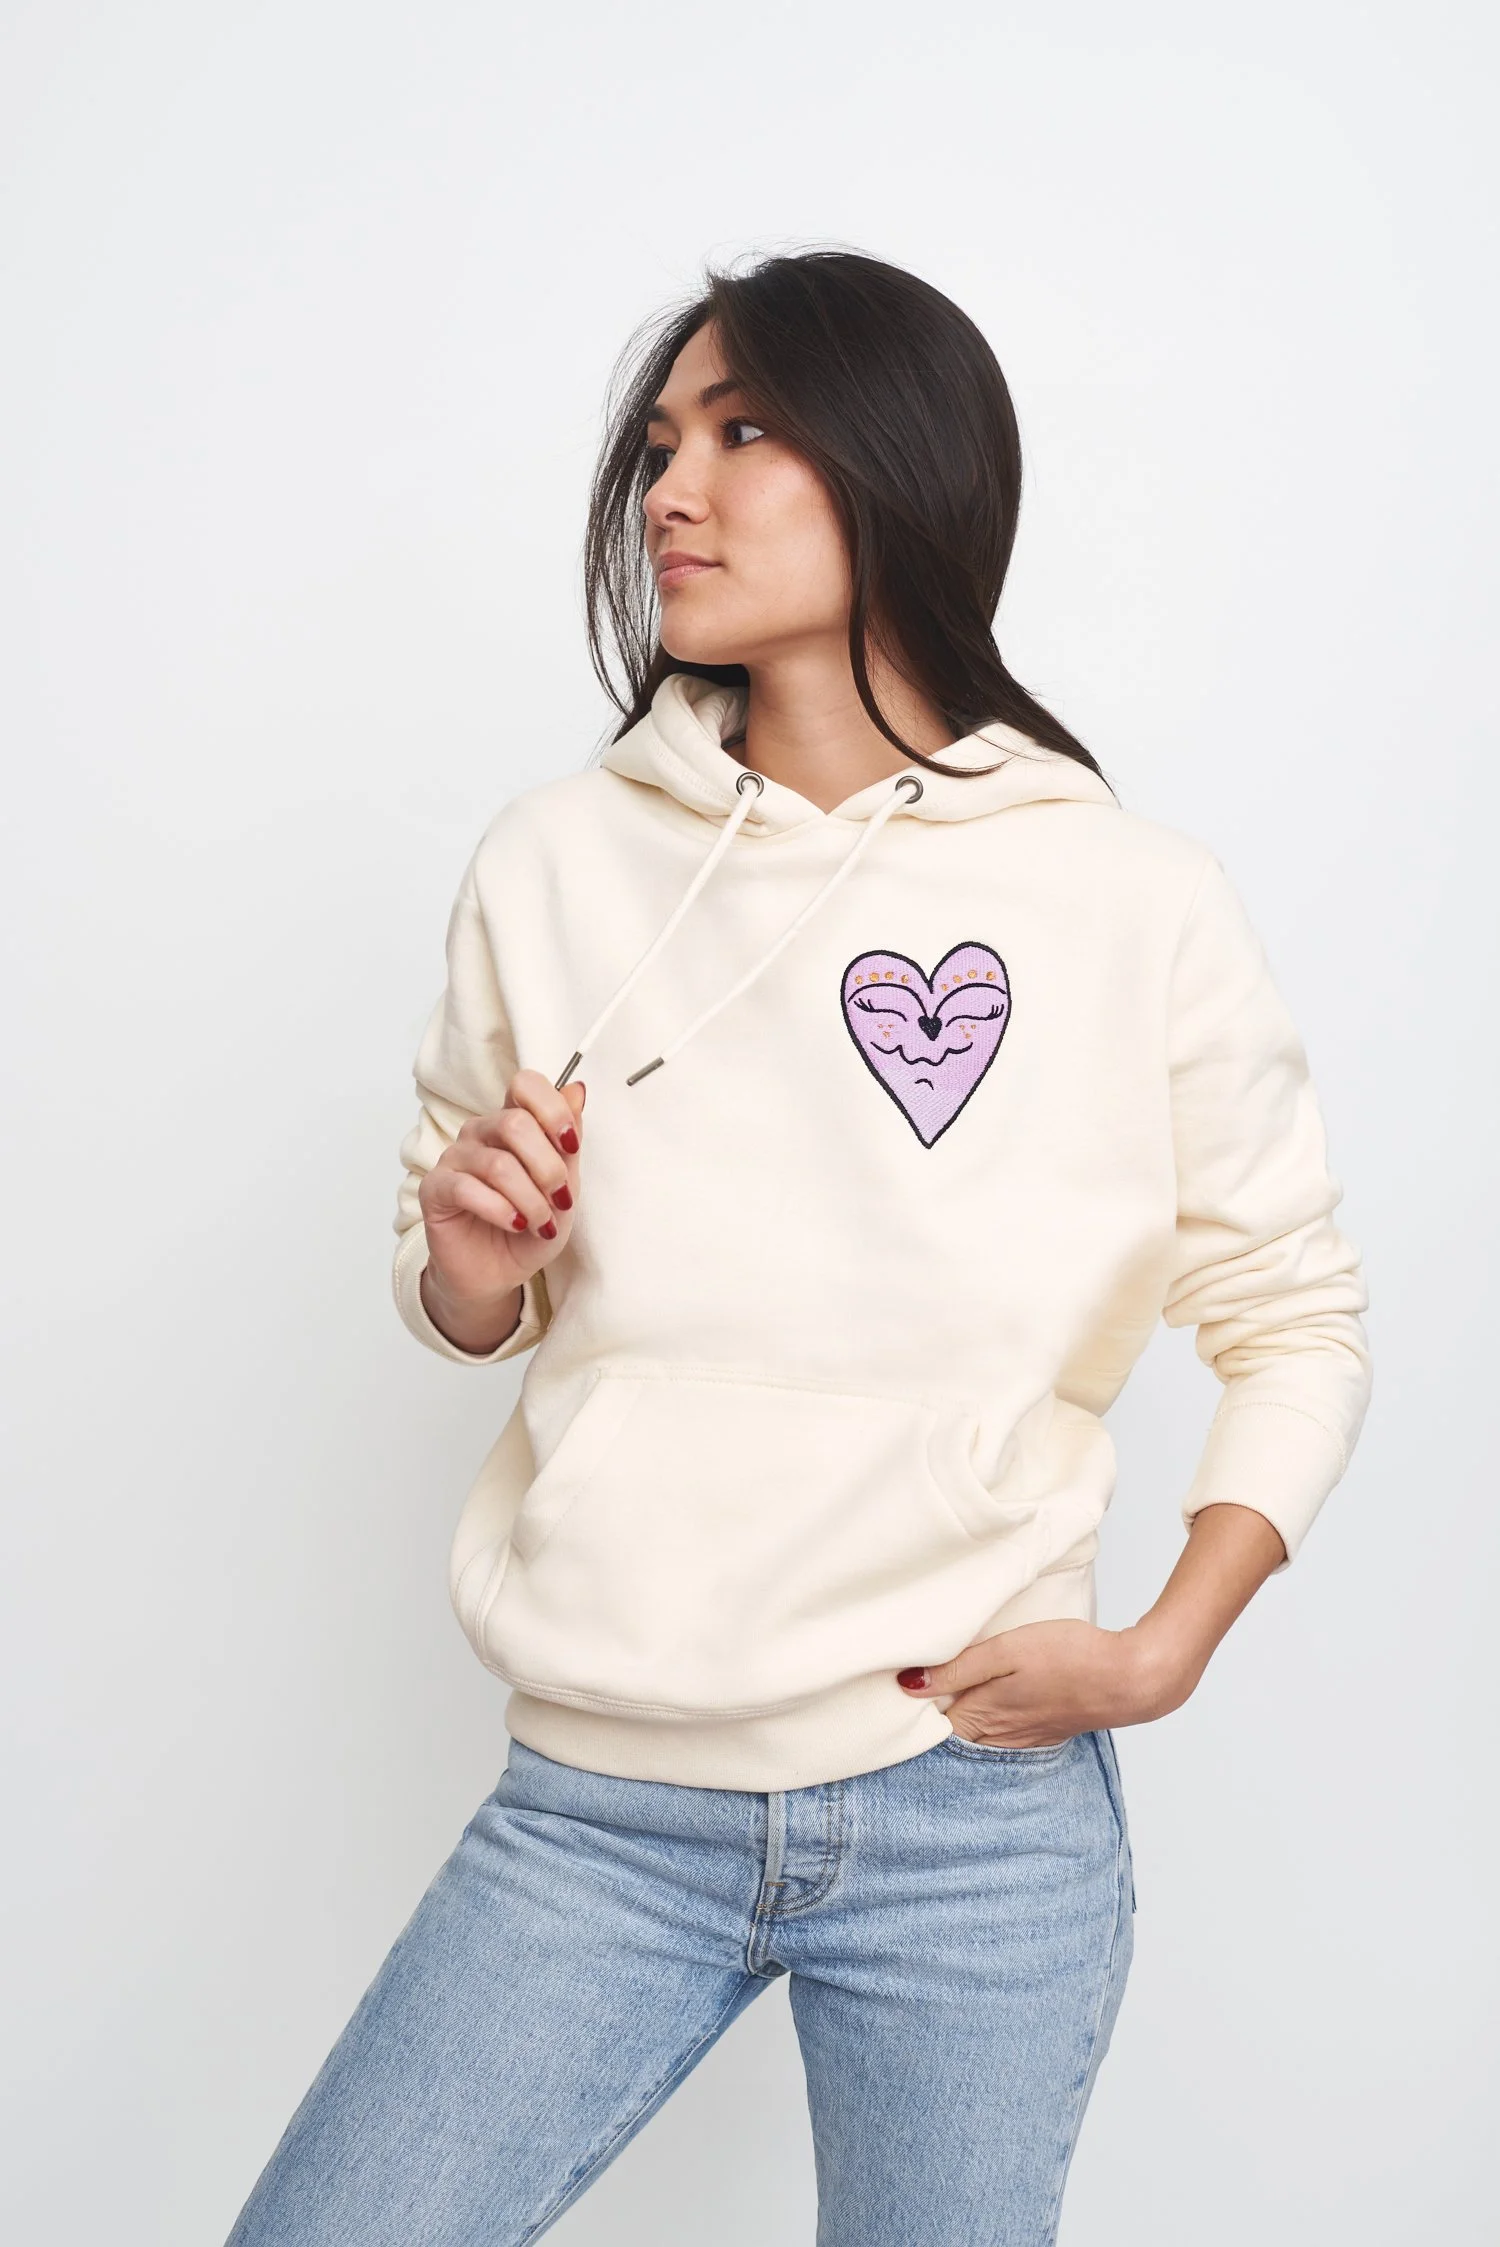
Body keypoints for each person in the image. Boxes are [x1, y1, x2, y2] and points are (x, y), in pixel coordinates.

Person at [225, 250, 1371, 2246]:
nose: (671, 490)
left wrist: (1166, 1643)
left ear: (899, 461)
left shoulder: (1132, 899)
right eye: (661, 444)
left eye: (743, 431)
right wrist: (473, 1256)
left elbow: (1297, 1317)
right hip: (601, 1808)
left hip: (972, 1817)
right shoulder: (557, 862)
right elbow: (457, 1287)